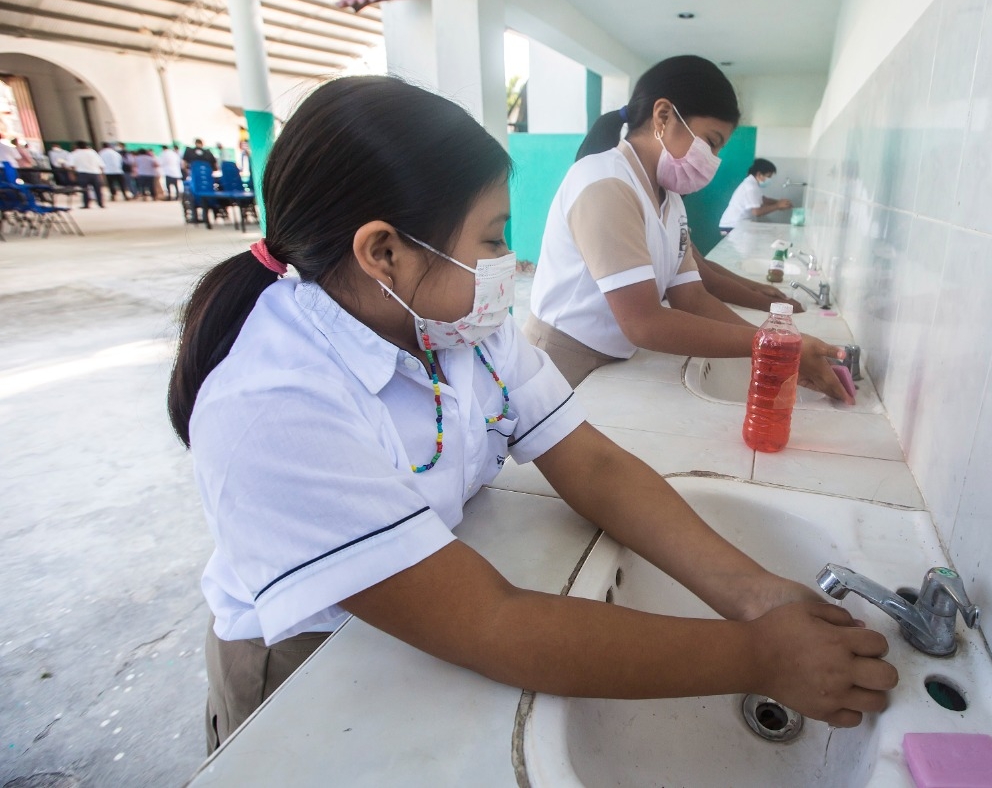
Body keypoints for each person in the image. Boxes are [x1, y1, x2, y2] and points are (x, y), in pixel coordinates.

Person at [169, 75, 895, 753]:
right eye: (491, 238)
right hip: (312, 660)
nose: (508, 261)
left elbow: (594, 463)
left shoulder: (453, 328)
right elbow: (493, 621)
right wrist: (761, 655)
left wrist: (751, 591)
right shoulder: (273, 408)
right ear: (382, 251)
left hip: (416, 610)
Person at [524, 55, 849, 399]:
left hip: (612, 358)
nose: (712, 160)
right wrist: (773, 346)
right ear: (663, 116)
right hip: (563, 362)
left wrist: (774, 344)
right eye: (710, 142)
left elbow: (691, 296)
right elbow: (643, 322)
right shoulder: (605, 183)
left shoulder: (669, 199)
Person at [719, 159, 792, 233]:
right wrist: (777, 206)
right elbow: (757, 212)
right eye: (768, 176)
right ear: (759, 174)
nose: (769, 179)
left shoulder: (752, 183)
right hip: (732, 225)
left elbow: (762, 199)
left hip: (735, 224)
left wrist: (779, 202)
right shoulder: (750, 187)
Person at [68, 140, 105, 208]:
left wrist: (72, 175)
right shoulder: (93, 152)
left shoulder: (74, 153)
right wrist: (101, 175)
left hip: (82, 174)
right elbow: (101, 164)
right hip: (95, 173)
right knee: (98, 190)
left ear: (77, 146)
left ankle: (86, 204)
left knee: (84, 190)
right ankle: (101, 203)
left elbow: (72, 166)